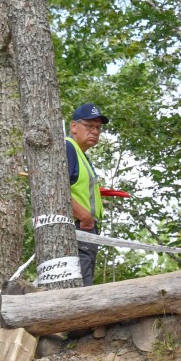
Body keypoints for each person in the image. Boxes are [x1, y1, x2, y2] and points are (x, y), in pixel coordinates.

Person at [66, 103, 107, 287]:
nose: (95, 131)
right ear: (74, 126)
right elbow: (56, 191)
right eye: (89, 126)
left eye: (98, 127)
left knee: (84, 283)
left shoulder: (81, 154)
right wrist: (85, 217)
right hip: (78, 229)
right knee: (82, 288)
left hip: (86, 229)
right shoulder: (68, 148)